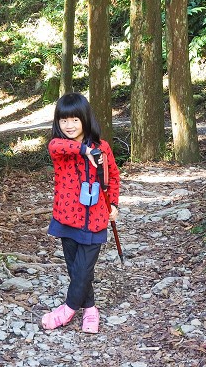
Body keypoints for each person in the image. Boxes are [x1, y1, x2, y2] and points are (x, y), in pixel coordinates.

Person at [42, 92, 120, 334]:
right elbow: (57, 145)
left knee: (84, 268)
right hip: (67, 218)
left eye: (75, 120)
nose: (69, 125)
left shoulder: (103, 147)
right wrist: (84, 151)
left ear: (86, 119)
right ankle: (91, 310)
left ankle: (67, 310)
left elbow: (114, 176)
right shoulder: (59, 148)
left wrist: (114, 205)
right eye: (64, 120)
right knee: (76, 269)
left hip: (95, 219)